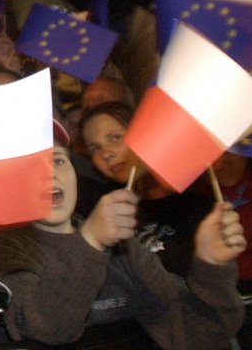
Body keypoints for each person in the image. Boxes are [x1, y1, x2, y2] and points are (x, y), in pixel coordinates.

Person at [0, 123, 245, 348]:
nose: (49, 174)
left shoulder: (123, 246)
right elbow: (46, 329)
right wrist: (91, 241)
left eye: (58, 160)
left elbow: (201, 336)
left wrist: (211, 267)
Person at [79, 100, 214, 276]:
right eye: (95, 148)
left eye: (115, 137)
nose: (106, 153)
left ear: (144, 134)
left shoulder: (200, 203)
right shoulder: (103, 207)